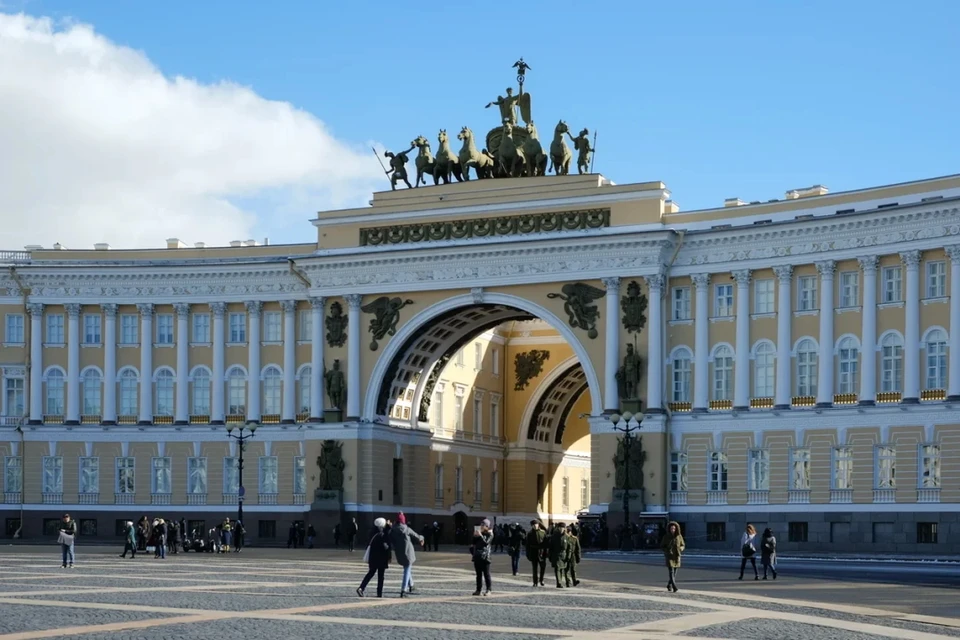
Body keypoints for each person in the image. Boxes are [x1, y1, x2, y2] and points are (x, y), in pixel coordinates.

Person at [389, 512, 424, 598]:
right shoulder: (406, 529)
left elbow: (390, 541)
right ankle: (403, 590)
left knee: (407, 567)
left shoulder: (392, 530)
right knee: (407, 570)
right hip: (408, 552)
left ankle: (411, 585)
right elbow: (417, 536)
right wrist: (422, 538)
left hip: (399, 553)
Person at [357, 518, 391, 598]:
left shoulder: (372, 532)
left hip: (373, 558)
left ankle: (361, 587)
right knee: (381, 576)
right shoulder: (382, 535)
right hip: (381, 558)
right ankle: (379, 593)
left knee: (370, 573)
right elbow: (386, 546)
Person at [470, 519, 494, 596]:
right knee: (478, 575)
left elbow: (486, 543)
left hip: (485, 556)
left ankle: (489, 590)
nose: (482, 526)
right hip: (477, 556)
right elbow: (473, 543)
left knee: (486, 574)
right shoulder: (479, 533)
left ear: (487, 526)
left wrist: (480, 535)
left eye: (483, 525)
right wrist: (475, 536)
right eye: (481, 525)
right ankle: (478, 590)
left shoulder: (490, 534)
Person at [660, 521, 685, 593]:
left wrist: (681, 549)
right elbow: (662, 546)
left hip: (677, 556)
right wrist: (667, 551)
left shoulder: (679, 536)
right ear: (669, 529)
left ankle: (669, 585)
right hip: (669, 556)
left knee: (675, 572)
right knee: (671, 571)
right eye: (671, 528)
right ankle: (674, 586)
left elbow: (682, 545)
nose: (673, 530)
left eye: (674, 528)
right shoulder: (666, 537)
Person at [548, 522, 570, 588]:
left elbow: (569, 548)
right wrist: (550, 555)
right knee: (557, 568)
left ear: (564, 528)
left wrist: (568, 556)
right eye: (560, 528)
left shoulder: (566, 536)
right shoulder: (554, 536)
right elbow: (551, 546)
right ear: (558, 528)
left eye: (562, 528)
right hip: (556, 554)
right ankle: (559, 583)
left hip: (564, 555)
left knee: (562, 569)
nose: (561, 529)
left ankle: (564, 581)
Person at [525, 520, 547, 587]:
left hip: (542, 552)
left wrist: (546, 552)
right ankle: (535, 582)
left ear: (538, 525)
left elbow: (546, 543)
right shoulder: (530, 533)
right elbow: (527, 545)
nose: (535, 526)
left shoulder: (543, 532)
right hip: (533, 552)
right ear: (532, 526)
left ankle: (541, 580)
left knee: (543, 567)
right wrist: (528, 554)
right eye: (533, 525)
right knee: (535, 568)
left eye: (536, 524)